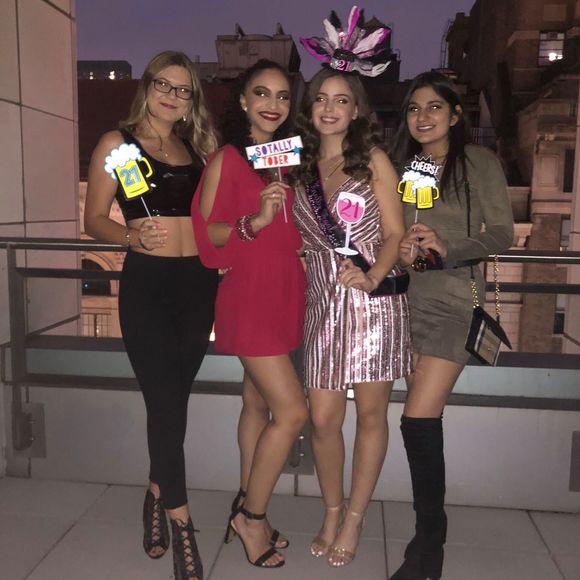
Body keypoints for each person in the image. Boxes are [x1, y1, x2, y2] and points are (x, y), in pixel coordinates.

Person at [84, 51, 218, 580]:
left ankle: (155, 493)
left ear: (191, 100)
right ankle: (182, 524)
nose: (171, 95)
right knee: (164, 400)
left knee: (171, 404)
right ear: (147, 86)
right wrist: (129, 236)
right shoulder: (118, 145)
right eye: (164, 84)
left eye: (183, 90)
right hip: (148, 287)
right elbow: (94, 218)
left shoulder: (195, 148)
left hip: (197, 285)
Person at [389, 71, 514, 580]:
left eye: (434, 107)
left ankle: (428, 541)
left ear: (456, 114)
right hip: (410, 301)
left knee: (416, 418)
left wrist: (449, 247)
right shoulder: (408, 168)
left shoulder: (478, 162)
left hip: (455, 301)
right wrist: (402, 249)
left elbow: (501, 233)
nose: (423, 117)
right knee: (424, 419)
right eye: (414, 108)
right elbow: (397, 231)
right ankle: (430, 531)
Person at [289, 64, 412, 568]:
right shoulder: (298, 167)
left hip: (372, 304)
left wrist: (374, 275)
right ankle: (332, 509)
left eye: (342, 100)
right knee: (322, 419)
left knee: (369, 415)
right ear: (310, 106)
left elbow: (395, 232)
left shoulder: (373, 160)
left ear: (357, 110)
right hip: (321, 300)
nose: (330, 108)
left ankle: (355, 517)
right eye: (321, 98)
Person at [191, 59, 308, 569]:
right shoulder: (227, 159)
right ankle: (251, 519)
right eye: (262, 93)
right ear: (242, 101)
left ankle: (245, 499)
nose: (272, 105)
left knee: (257, 405)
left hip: (286, 292)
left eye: (282, 96)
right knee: (294, 412)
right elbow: (206, 234)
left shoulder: (288, 160)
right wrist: (254, 221)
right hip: (250, 296)